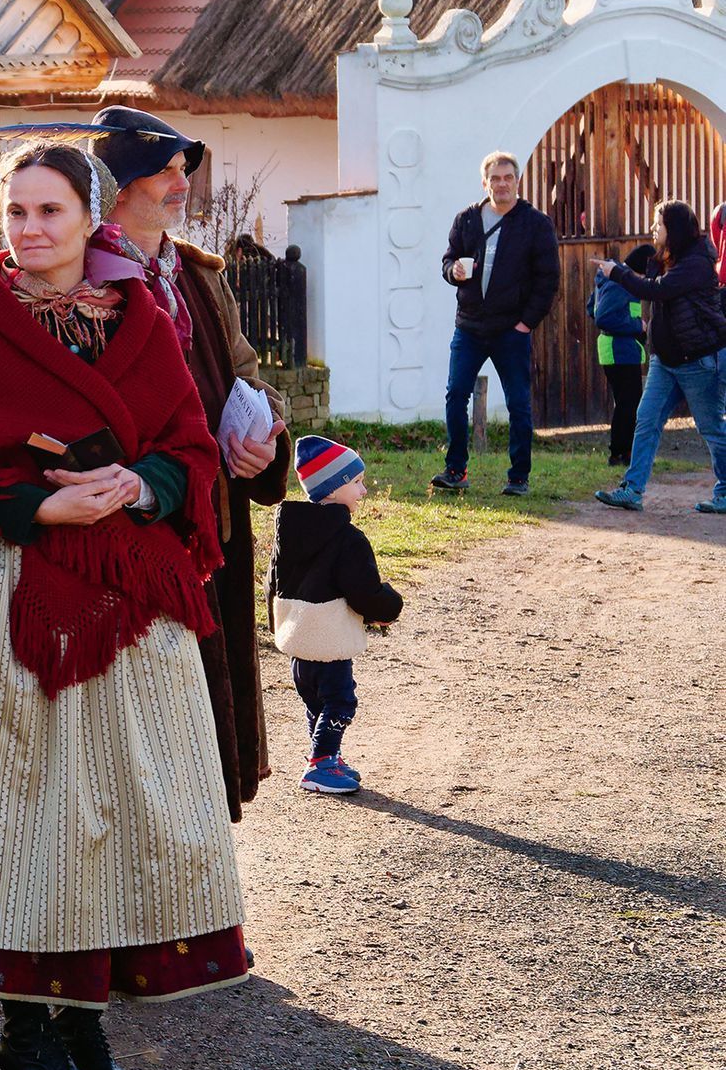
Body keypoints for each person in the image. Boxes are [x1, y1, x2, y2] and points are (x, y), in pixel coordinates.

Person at [0, 139, 248, 1070]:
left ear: (88, 221)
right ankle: (23, 1036)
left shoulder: (143, 320)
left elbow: (189, 450)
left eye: (48, 213)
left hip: (121, 604)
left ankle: (87, 1026)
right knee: (27, 814)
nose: (29, 232)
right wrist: (38, 507)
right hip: (5, 602)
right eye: (14, 214)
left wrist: (139, 483)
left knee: (111, 809)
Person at [91, 106, 290, 823]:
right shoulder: (85, 279)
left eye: (183, 170)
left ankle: (199, 887)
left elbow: (245, 373)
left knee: (206, 714)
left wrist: (264, 431)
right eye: (164, 172)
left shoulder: (198, 275)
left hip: (215, 519)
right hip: (133, 525)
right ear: (118, 187)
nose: (182, 185)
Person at [266, 436, 404, 795]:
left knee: (316, 701)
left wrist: (276, 624)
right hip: (329, 640)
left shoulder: (288, 531)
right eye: (357, 482)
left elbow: (272, 583)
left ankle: (327, 754)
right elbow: (364, 592)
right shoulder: (348, 539)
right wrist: (389, 606)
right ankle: (320, 764)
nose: (364, 491)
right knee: (341, 700)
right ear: (335, 487)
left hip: (298, 639)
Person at [435, 151, 560, 497]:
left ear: (517, 181)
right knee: (455, 394)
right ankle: (455, 469)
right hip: (470, 326)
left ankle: (518, 477)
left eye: (508, 178)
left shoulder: (535, 224)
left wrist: (526, 323)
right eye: (495, 178)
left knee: (518, 403)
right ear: (485, 182)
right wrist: (452, 271)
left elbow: (548, 280)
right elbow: (448, 258)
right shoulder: (468, 220)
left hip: (511, 329)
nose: (501, 184)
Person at [593, 201, 726, 515]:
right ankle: (632, 489)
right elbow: (651, 282)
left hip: (698, 360)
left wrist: (618, 273)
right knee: (646, 420)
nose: (653, 229)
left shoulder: (696, 262)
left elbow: (658, 291)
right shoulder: (666, 257)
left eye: (658, 224)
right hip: (664, 361)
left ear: (675, 229)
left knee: (711, 429)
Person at [586, 244, 652, 466]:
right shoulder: (620, 283)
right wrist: (637, 325)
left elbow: (591, 308)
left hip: (618, 349)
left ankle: (621, 452)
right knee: (628, 403)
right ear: (640, 270)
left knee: (626, 402)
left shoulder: (608, 279)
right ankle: (620, 454)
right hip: (619, 350)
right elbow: (604, 317)